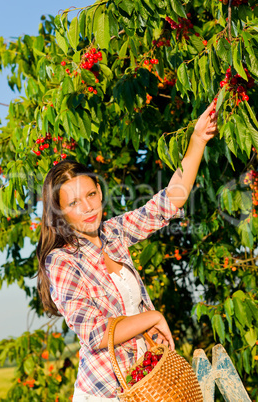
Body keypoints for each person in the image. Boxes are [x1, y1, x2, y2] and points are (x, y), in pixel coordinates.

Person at [36, 102, 218, 401]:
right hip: (105, 392)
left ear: (99, 190)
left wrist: (197, 140)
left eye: (91, 194)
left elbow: (168, 202)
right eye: (73, 203)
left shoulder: (113, 233)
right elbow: (95, 335)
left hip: (143, 383)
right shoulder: (61, 261)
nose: (88, 208)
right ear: (60, 213)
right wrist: (152, 317)